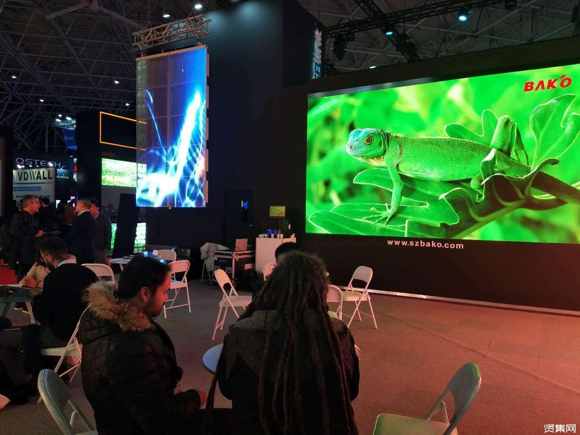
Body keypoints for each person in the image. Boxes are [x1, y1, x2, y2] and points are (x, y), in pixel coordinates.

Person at [217, 251, 359, 435]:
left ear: (272, 286)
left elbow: (227, 389)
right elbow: (351, 391)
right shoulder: (337, 335)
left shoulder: (241, 332)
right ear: (321, 291)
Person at [79, 256, 204, 435]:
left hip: (115, 421)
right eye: (165, 292)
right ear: (145, 293)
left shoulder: (107, 322)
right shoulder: (129, 348)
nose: (166, 298)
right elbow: (160, 421)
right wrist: (195, 398)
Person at [22, 237, 97, 378]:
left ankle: (39, 378)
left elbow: (43, 316)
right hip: (87, 331)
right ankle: (56, 374)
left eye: (43, 256)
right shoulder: (89, 273)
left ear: (48, 256)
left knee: (30, 333)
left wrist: (36, 295)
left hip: (64, 335)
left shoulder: (53, 278)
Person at [8, 196, 43, 279]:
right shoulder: (18, 217)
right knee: (24, 280)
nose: (39, 205)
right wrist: (35, 236)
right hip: (23, 258)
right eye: (37, 203)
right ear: (30, 204)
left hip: (31, 256)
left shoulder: (33, 218)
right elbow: (15, 235)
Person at [67, 199, 96, 264]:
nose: (75, 206)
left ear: (82, 206)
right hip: (89, 251)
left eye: (77, 205)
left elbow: (73, 235)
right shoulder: (91, 218)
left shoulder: (79, 219)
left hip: (79, 252)